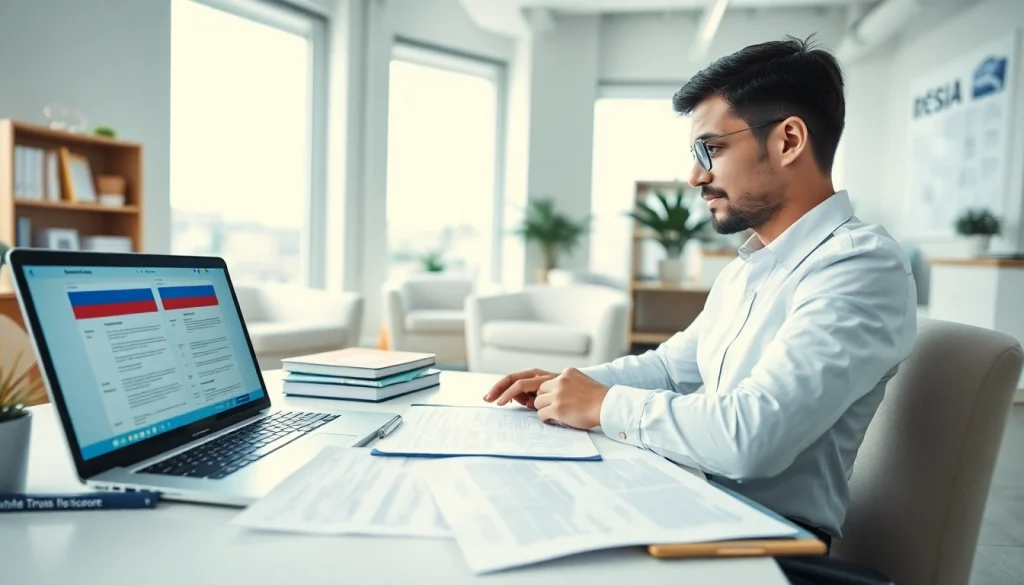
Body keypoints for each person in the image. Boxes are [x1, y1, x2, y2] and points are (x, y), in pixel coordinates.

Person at [483, 35, 917, 568]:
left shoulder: (859, 266)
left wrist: (602, 404)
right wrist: (568, 385)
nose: (695, 175)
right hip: (691, 501)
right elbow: (672, 369)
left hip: (764, 545)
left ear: (788, 140)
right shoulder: (751, 267)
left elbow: (752, 437)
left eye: (711, 148)